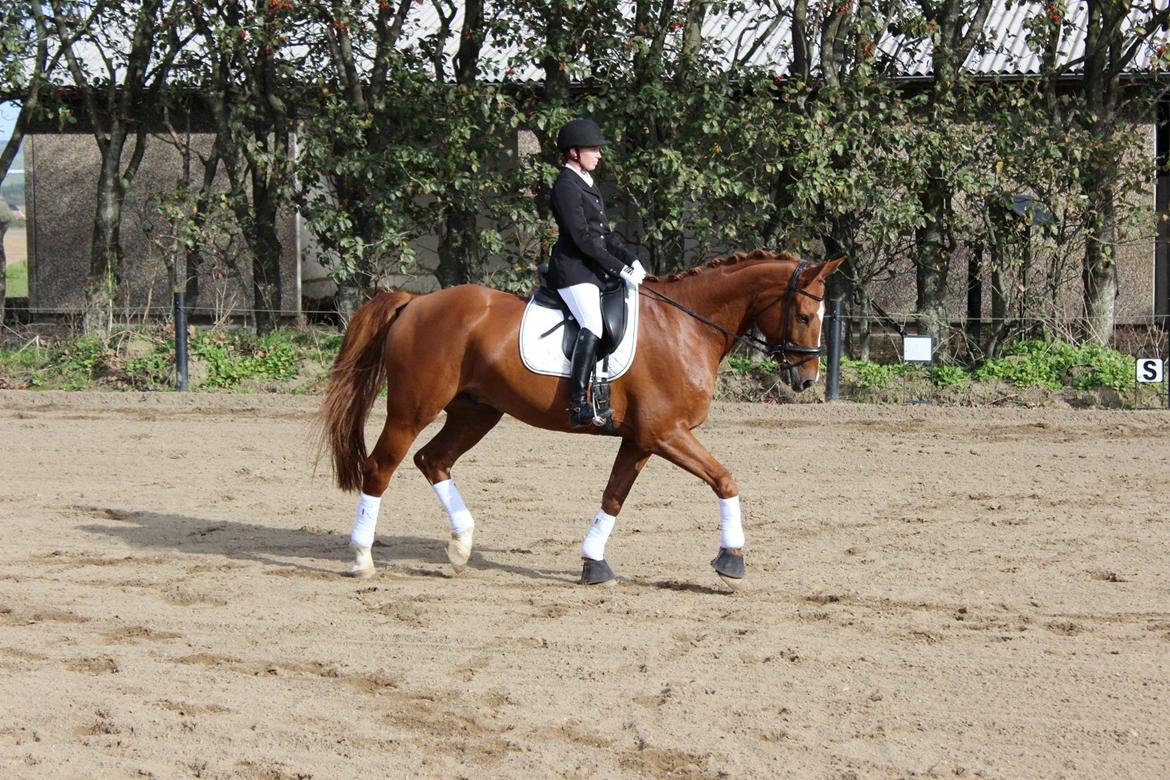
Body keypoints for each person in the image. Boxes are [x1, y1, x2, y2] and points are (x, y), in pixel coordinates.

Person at [548, 117, 647, 428]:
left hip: (591, 268)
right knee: (592, 322)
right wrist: (618, 268)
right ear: (574, 152)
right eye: (593, 149)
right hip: (572, 270)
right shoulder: (566, 185)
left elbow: (605, 234)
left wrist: (632, 259)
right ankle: (577, 403)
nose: (599, 154)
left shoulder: (587, 183)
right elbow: (582, 239)